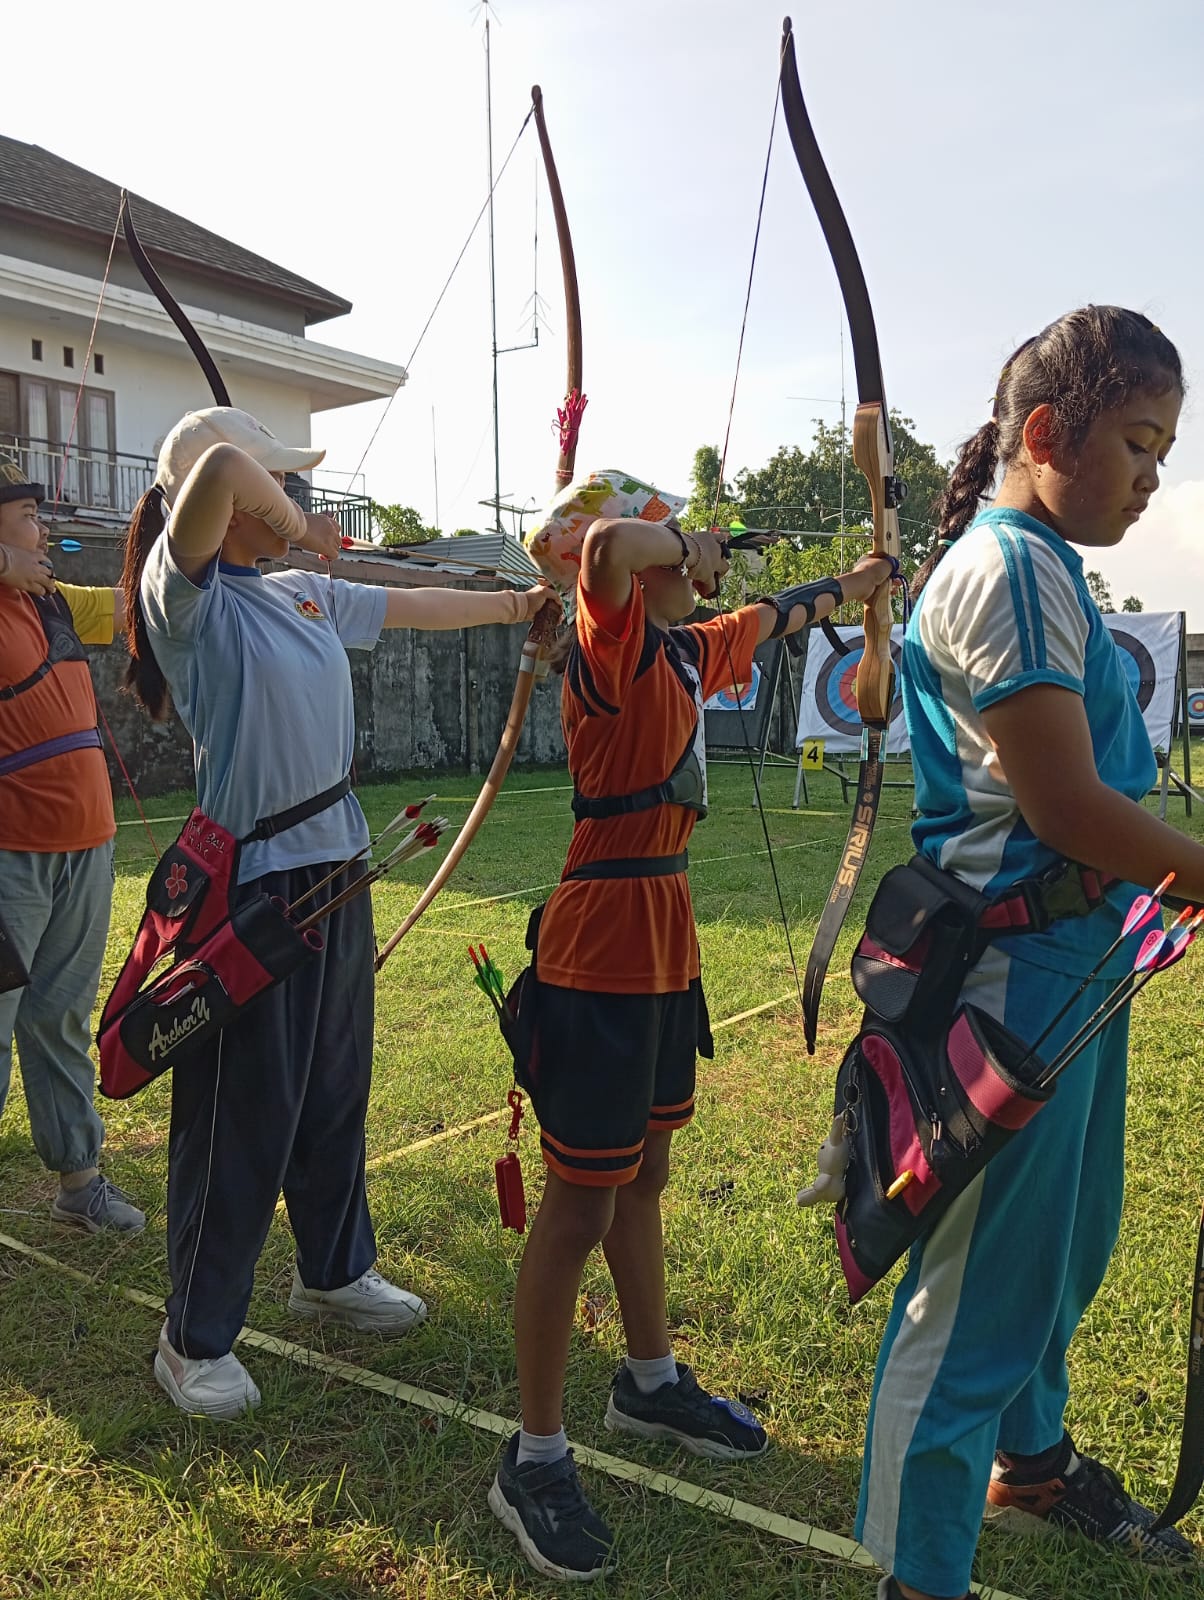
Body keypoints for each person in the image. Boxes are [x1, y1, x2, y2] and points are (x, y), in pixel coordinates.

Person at [489, 467, 896, 1580]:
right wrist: (676, 542)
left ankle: (650, 1382)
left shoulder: (680, 646)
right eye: (679, 547)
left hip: (663, 937)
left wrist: (855, 583)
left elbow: (774, 616)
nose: (690, 564)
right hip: (599, 944)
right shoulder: (608, 644)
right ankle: (532, 1454)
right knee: (577, 1204)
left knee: (645, 1175)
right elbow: (611, 553)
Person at [856, 307, 1204, 1600]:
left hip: (1077, 962)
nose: (1154, 475)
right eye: (1137, 441)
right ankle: (916, 1575)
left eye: (1165, 449)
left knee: (1060, 1251)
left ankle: (1032, 1462)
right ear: (1048, 433)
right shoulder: (1003, 569)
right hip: (1008, 979)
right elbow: (1065, 812)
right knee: (968, 1308)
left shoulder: (1045, 563)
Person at [121, 406, 558, 1420]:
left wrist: (512, 609)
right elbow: (223, 460)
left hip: (340, 870)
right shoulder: (184, 602)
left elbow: (409, 604)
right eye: (289, 485)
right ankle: (191, 1337)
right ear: (234, 504)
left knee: (329, 1089)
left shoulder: (303, 594)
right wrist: (298, 519)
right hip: (254, 889)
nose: (306, 501)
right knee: (241, 1110)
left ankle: (332, 1268)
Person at [0, 457, 145, 1234]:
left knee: (58, 1018)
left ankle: (77, 1182)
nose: (45, 530)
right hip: (8, 852)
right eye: (28, 518)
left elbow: (141, 606)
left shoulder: (53, 599)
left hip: (86, 843)